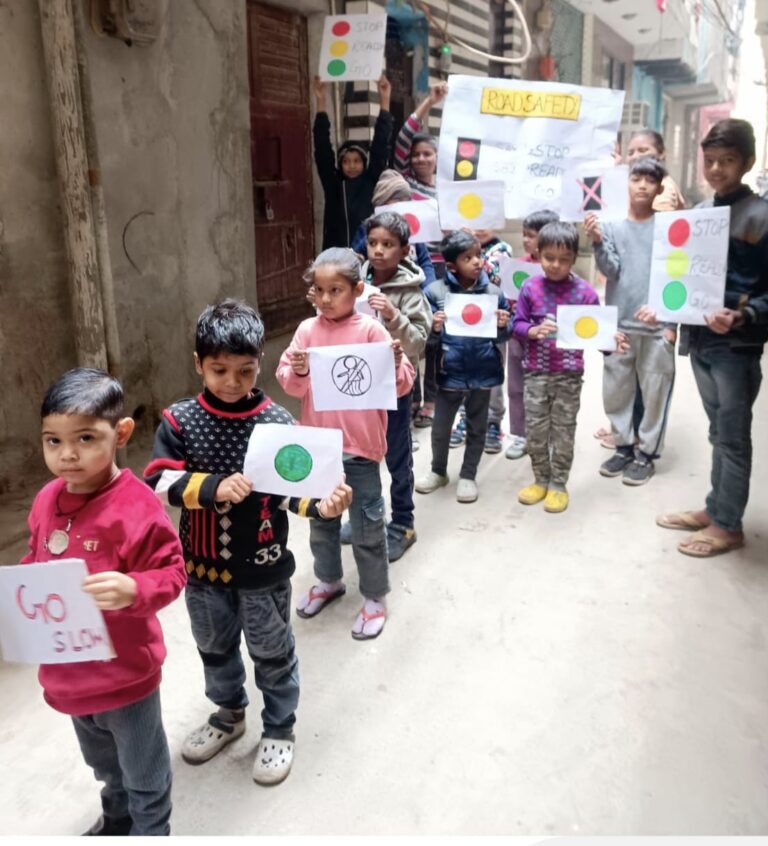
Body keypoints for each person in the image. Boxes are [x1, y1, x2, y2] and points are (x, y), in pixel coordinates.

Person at [144, 300, 352, 785]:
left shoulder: (277, 423)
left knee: (272, 654)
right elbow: (158, 482)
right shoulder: (179, 422)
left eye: (244, 370)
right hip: (202, 572)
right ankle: (228, 714)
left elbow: (291, 494)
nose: (232, 382)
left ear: (260, 361)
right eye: (219, 370)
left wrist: (322, 506)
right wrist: (212, 486)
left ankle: (279, 727)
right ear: (198, 364)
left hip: (263, 573)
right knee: (214, 650)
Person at [23, 367, 186, 836]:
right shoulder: (45, 501)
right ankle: (116, 820)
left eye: (86, 438)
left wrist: (135, 589)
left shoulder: (137, 506)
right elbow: (35, 558)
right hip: (70, 676)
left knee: (145, 777)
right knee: (107, 770)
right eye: (53, 441)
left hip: (125, 678)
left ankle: (151, 829)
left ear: (121, 433)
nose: (67, 455)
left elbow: (172, 573)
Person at [638, 119, 768, 557]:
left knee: (732, 436)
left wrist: (744, 314)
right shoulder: (699, 217)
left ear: (747, 163)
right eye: (710, 160)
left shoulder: (762, 217)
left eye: (727, 161)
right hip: (702, 343)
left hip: (738, 346)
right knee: (719, 432)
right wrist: (665, 309)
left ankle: (728, 525)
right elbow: (683, 276)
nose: (716, 169)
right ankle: (717, 509)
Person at [277, 248, 414, 639]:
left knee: (369, 525)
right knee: (321, 523)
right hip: (320, 451)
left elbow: (401, 385)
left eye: (334, 290)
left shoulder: (371, 330)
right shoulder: (307, 331)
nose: (324, 299)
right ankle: (329, 580)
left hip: (361, 452)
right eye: (318, 290)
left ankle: (374, 597)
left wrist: (396, 362)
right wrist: (298, 371)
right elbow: (287, 379)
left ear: (357, 290)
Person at [513, 222, 628, 513]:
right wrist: (532, 331)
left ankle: (558, 484)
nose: (556, 265)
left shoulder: (585, 293)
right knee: (536, 432)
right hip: (535, 373)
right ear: (538, 254)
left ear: (575, 258)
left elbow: (599, 338)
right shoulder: (529, 287)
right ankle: (541, 479)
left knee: (563, 432)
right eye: (549, 257)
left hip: (569, 376)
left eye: (564, 259)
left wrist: (612, 341)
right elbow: (516, 324)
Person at [585, 156, 676, 486]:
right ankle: (623, 446)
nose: (642, 185)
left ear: (659, 187)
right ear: (625, 182)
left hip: (656, 327)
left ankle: (647, 454)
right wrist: (596, 240)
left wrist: (671, 324)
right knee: (616, 390)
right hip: (619, 324)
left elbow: (677, 276)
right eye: (636, 178)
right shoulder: (609, 225)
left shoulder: (668, 228)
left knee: (654, 391)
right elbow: (611, 271)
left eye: (649, 180)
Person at [415, 231, 511, 503]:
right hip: (449, 374)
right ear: (451, 266)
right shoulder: (435, 293)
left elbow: (504, 336)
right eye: (468, 257)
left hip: (483, 372)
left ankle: (468, 475)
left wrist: (504, 325)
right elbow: (425, 339)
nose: (477, 262)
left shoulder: (494, 293)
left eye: (478, 255)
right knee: (440, 428)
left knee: (477, 427)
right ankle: (438, 471)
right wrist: (433, 328)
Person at [394, 83, 448, 427]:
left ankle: (431, 401)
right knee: (412, 333)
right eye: (416, 154)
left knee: (437, 337)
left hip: (442, 272)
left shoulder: (449, 190)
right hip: (411, 268)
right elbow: (402, 138)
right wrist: (429, 102)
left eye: (427, 153)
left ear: (437, 157)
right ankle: (411, 397)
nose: (421, 158)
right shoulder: (405, 182)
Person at [498, 210, 561, 462]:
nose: (526, 240)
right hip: (518, 335)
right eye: (524, 235)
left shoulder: (556, 269)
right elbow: (509, 299)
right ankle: (521, 434)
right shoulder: (517, 265)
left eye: (532, 236)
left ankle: (549, 434)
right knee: (516, 386)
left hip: (547, 339)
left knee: (548, 387)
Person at [448, 228, 514, 455]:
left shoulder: (502, 249)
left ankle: (493, 422)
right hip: (464, 322)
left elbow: (495, 273)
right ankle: (466, 418)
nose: (479, 228)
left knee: (493, 376)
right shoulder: (458, 248)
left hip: (493, 323)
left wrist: (469, 255)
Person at [313, 74, 393, 249]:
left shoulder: (371, 181)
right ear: (340, 165)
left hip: (368, 255)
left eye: (356, 161)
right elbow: (322, 150)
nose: (351, 166)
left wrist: (384, 100)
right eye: (346, 161)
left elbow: (380, 145)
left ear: (364, 163)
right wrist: (321, 101)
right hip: (336, 256)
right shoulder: (333, 185)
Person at [350, 169, 435, 284]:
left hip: (412, 287)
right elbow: (355, 258)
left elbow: (425, 262)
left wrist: (428, 289)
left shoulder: (412, 229)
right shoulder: (367, 228)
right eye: (390, 206)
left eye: (401, 205)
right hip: (379, 287)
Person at [626, 129, 686, 212]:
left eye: (642, 150)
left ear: (661, 154)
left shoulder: (665, 187)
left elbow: (658, 221)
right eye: (630, 153)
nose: (635, 156)